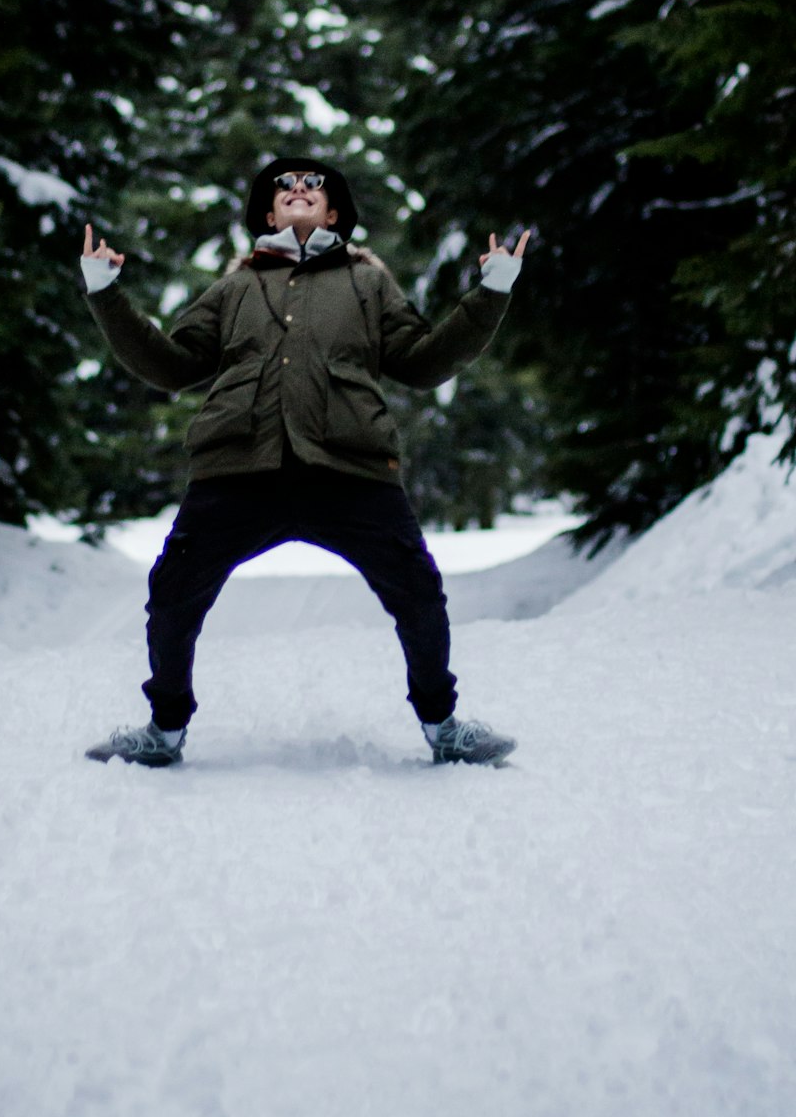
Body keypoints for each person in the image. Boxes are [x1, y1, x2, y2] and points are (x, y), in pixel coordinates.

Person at [80, 156, 529, 768]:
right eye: (284, 186)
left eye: (312, 185)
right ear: (269, 213)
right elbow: (170, 365)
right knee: (174, 594)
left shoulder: (368, 285)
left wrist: (492, 293)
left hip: (350, 471)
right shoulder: (234, 288)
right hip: (237, 469)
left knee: (419, 593)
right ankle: (163, 730)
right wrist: (107, 294)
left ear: (333, 212)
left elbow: (421, 364)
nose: (297, 189)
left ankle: (444, 725)